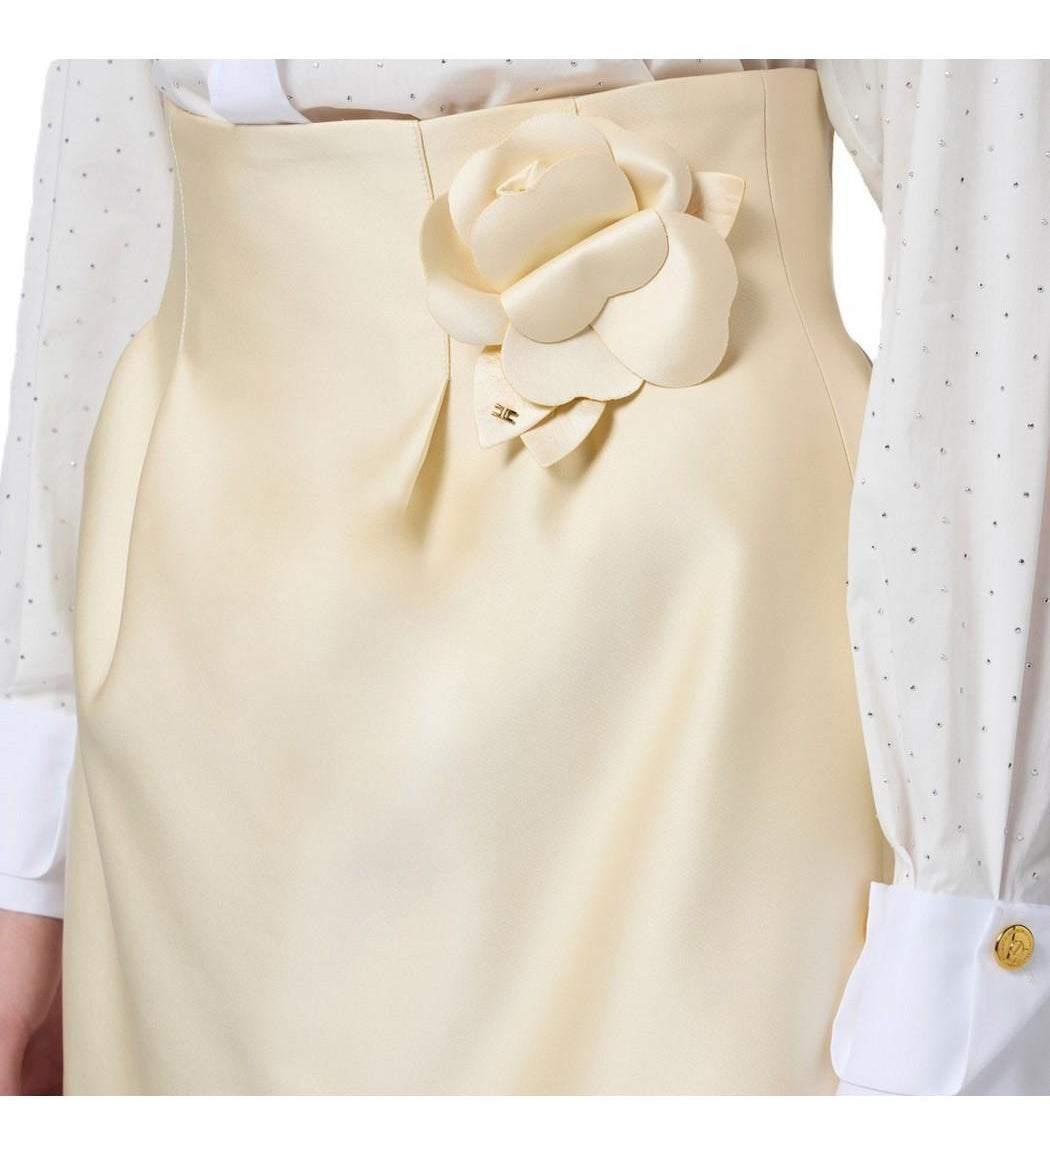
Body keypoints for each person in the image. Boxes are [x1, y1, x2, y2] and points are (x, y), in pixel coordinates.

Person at [0, 59, 1046, 1095]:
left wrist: (972, 957)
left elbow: (990, 216)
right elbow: (112, 143)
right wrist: (27, 829)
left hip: (672, 632)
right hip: (189, 650)